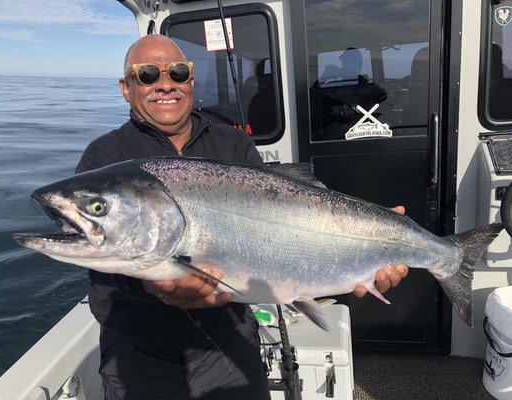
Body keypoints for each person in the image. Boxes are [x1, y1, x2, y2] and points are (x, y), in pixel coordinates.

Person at [75, 34, 408, 400]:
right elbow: (102, 266)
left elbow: (279, 227)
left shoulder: (231, 144)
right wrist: (152, 286)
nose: (165, 84)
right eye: (148, 75)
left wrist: (373, 240)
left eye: (178, 72)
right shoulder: (106, 157)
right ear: (127, 88)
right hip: (140, 357)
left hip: (228, 344)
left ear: (191, 81)